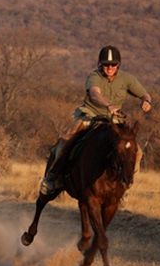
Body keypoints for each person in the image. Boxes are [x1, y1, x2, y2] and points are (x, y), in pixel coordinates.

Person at [39, 45, 152, 197]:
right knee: (65, 141)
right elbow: (94, 94)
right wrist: (108, 105)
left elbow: (145, 94)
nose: (109, 67)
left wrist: (146, 101)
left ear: (118, 65)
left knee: (136, 151)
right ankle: (52, 178)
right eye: (106, 64)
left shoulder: (128, 79)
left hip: (114, 122)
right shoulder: (94, 77)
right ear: (100, 64)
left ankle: (124, 183)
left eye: (113, 65)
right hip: (90, 116)